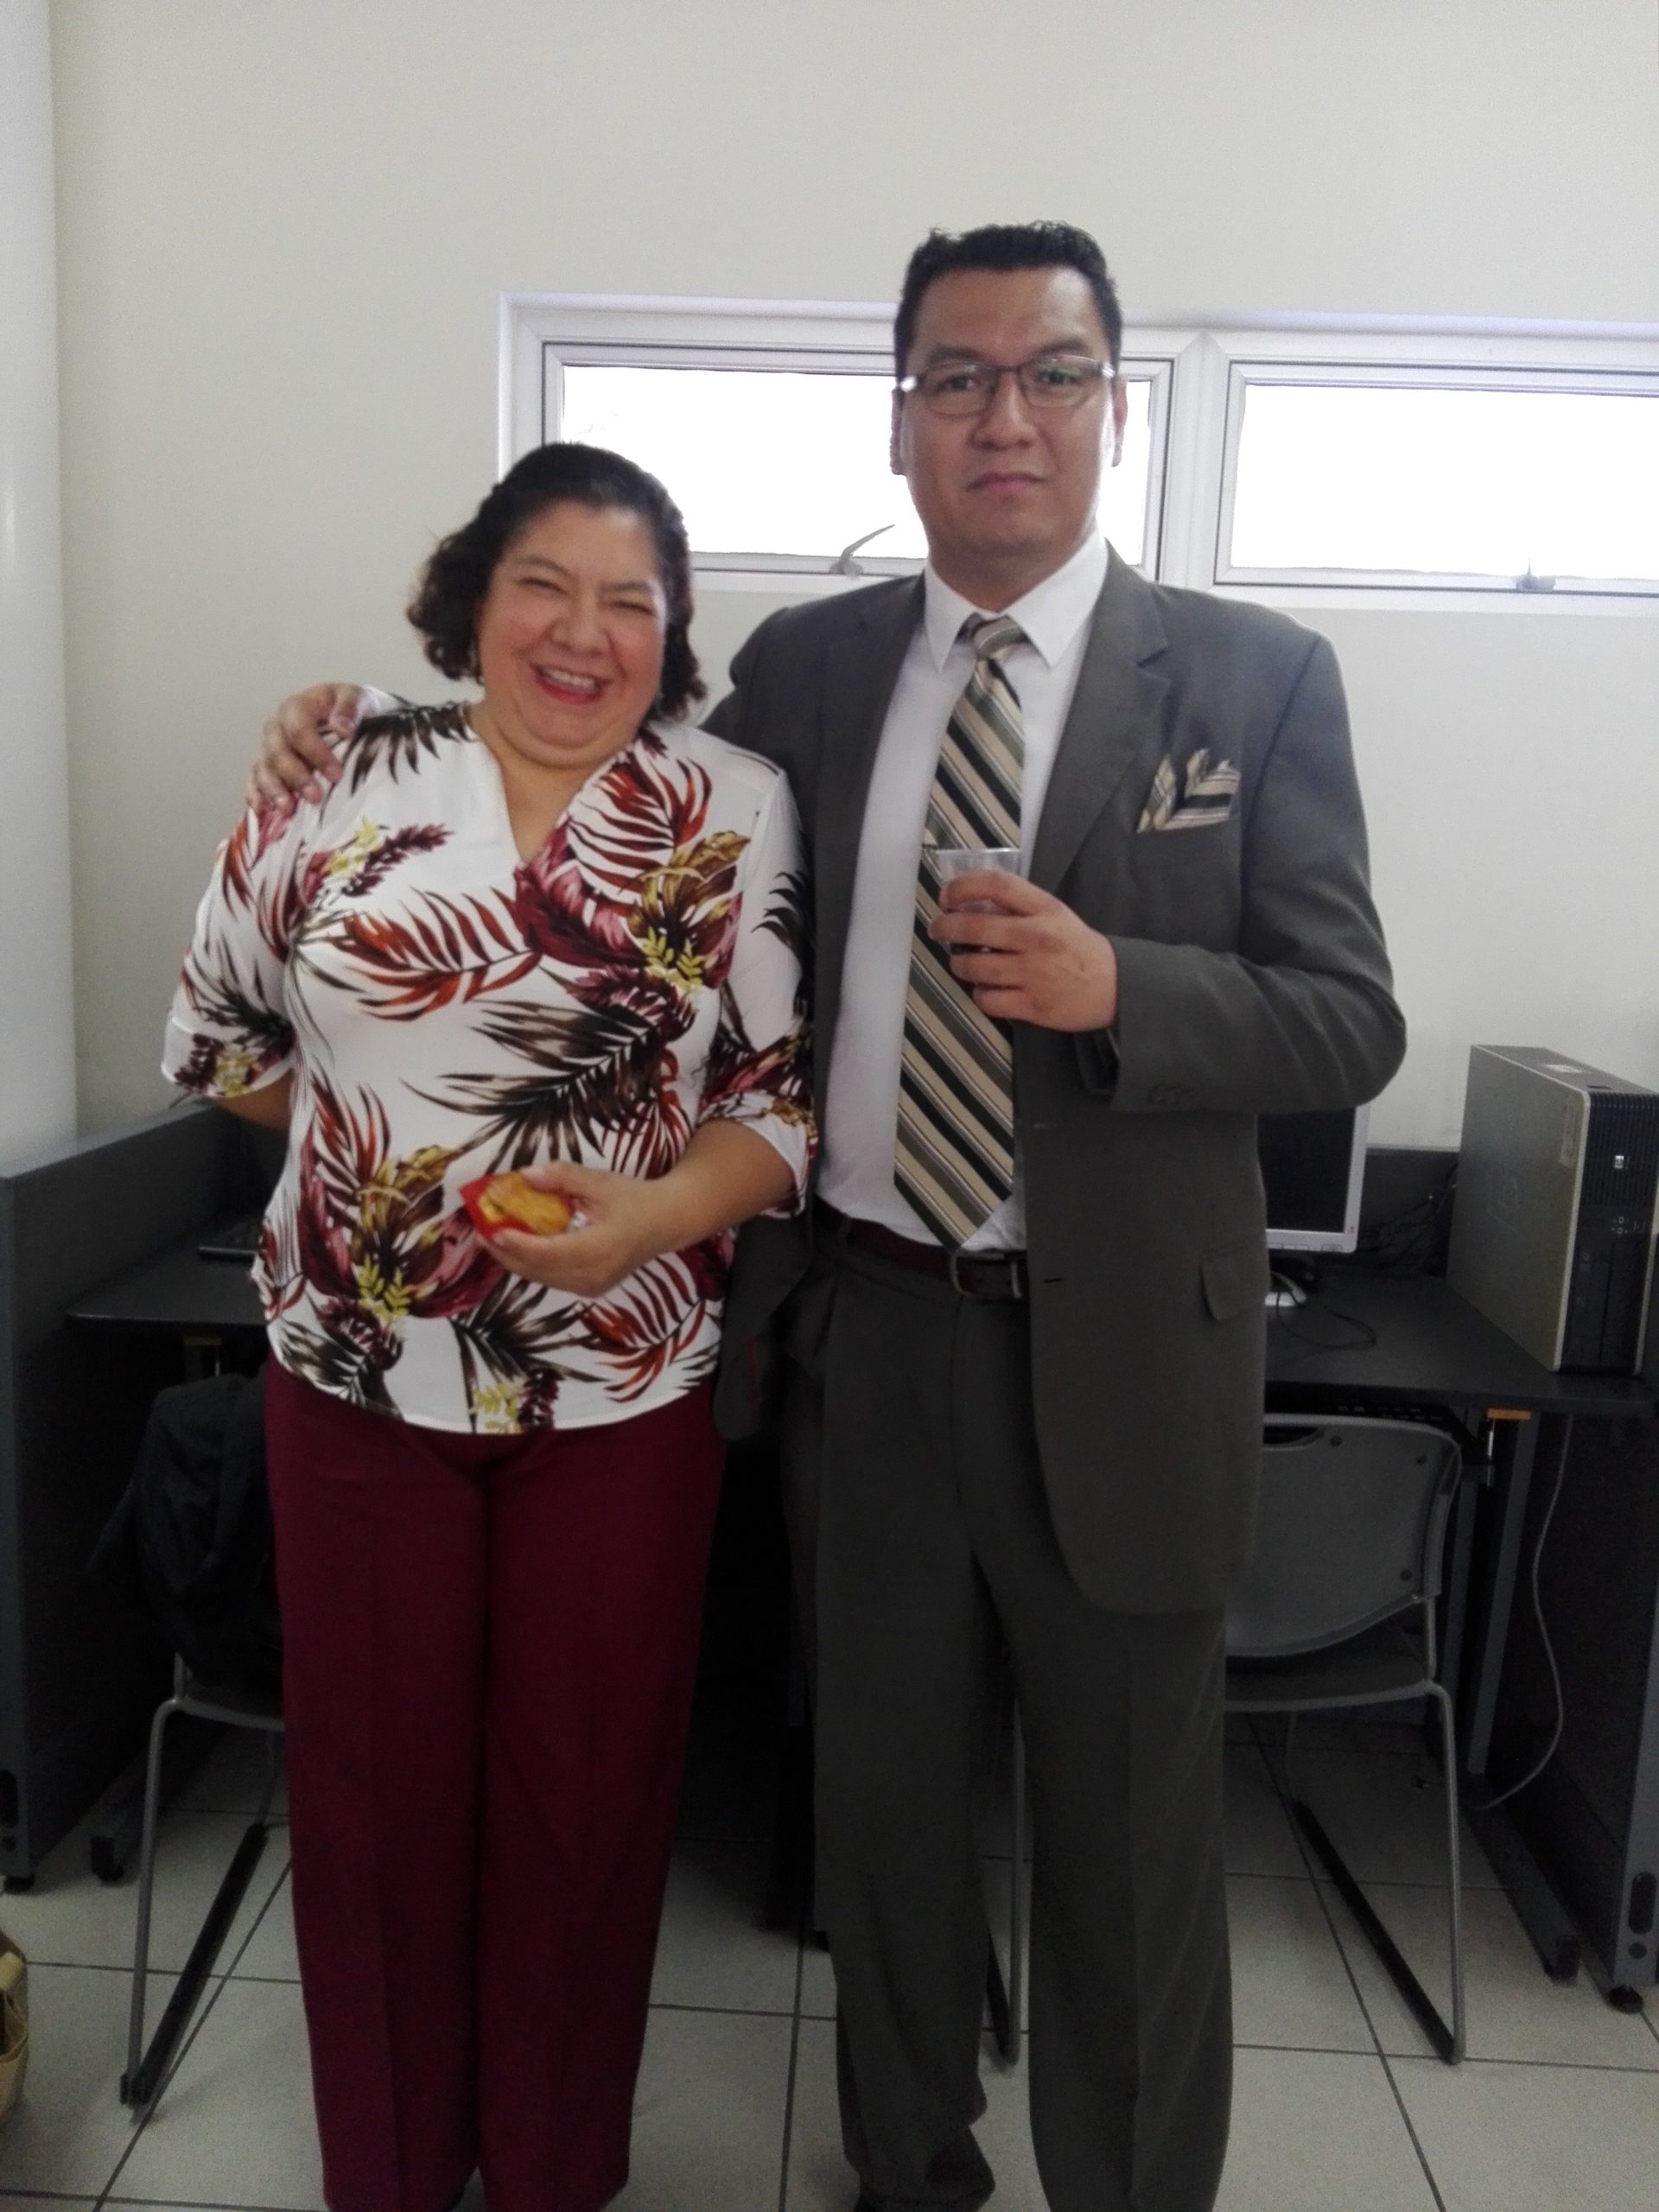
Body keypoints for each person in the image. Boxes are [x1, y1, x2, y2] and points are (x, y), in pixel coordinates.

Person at [249, 222, 1405, 2212]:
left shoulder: (1255, 675)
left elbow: (1352, 1018)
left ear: (1112, 408)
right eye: (958, 378)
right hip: (870, 1333)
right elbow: (601, 791)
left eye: (1050, 372)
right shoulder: (811, 666)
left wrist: (1124, 987)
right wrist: (348, 736)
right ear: (901, 422)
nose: (1004, 416)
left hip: (1132, 1354)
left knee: (1130, 1850)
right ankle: (907, 2174)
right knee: (882, 1825)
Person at [167, 441, 813, 2212]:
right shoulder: (336, 768)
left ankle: (549, 2173)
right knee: (372, 1805)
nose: (582, 632)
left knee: (585, 1809)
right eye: (545, 584)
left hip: (623, 1393)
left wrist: (657, 1217)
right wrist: (376, 1157)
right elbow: (219, 1041)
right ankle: (387, 2173)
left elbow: (777, 1100)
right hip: (356, 1381)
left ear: (671, 635)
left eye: (630, 602)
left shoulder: (732, 806)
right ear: (475, 598)